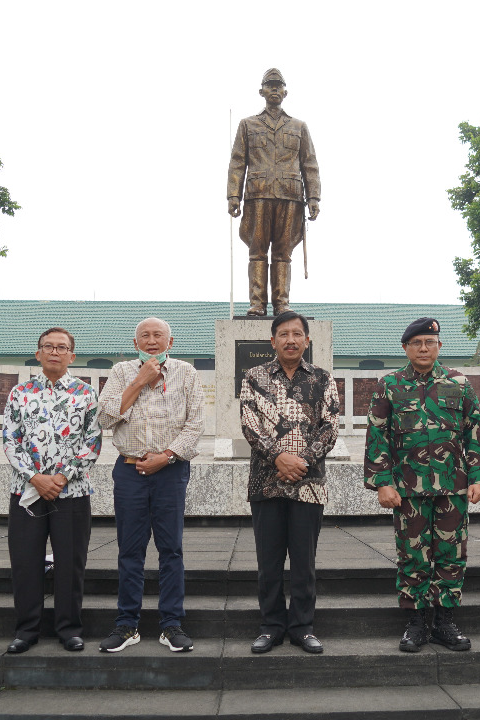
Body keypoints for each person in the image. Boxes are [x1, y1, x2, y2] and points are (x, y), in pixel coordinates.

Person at [364, 317, 480, 653]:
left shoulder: (459, 383)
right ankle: (417, 622)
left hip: (453, 486)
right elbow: (377, 436)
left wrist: (479, 477)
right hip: (408, 489)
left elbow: (475, 432)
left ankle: (445, 622)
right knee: (412, 556)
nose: (424, 348)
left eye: (430, 342)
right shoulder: (389, 384)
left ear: (439, 346)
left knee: (452, 554)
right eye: (417, 343)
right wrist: (382, 483)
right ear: (405, 348)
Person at [96, 318, 205, 653]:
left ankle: (171, 624)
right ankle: (127, 624)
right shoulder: (120, 372)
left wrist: (168, 455)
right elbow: (103, 418)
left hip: (170, 470)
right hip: (129, 471)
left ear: (170, 342)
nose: (152, 340)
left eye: (159, 335)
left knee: (171, 549)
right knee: (130, 549)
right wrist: (140, 381)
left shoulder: (186, 372)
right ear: (135, 342)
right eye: (145, 335)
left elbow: (196, 424)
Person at [240, 311, 341, 654]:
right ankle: (270, 626)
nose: (290, 340)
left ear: (307, 340)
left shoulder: (322, 379)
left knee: (303, 561)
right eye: (283, 334)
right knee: (268, 562)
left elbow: (330, 427)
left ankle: (302, 627)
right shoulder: (253, 377)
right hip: (265, 483)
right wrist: (278, 458)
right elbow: (249, 424)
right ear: (273, 341)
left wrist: (303, 461)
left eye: (297, 334)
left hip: (308, 484)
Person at [1, 327, 102, 654]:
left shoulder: (86, 393)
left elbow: (93, 441)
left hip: (71, 493)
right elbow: (10, 440)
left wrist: (62, 476)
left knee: (71, 562)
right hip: (27, 493)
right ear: (39, 352)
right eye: (49, 347)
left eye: (62, 347)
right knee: (25, 562)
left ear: (72, 355)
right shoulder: (20, 393)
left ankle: (69, 628)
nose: (55, 352)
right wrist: (35, 477)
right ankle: (26, 630)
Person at [227, 67, 321, 316]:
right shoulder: (248, 125)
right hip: (257, 195)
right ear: (262, 91)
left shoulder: (299, 127)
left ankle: (282, 303)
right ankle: (257, 303)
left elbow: (309, 163)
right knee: (256, 251)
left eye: (279, 86)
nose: (275, 90)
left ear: (285, 92)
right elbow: (238, 161)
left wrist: (313, 197)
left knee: (283, 253)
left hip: (290, 197)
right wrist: (233, 195)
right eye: (270, 85)